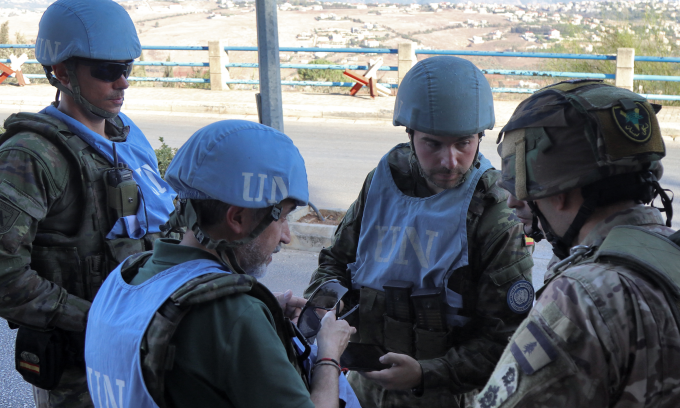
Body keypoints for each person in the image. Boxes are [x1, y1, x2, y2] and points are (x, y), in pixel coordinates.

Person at [304, 56, 535, 407]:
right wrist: (324, 308)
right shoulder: (384, 181)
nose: (450, 161)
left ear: (480, 137)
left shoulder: (492, 211)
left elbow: (506, 340)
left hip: (447, 396)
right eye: (433, 144)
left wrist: (425, 374)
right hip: (364, 389)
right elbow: (336, 261)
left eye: (463, 143)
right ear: (410, 135)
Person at [84, 120, 358, 408]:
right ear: (237, 218)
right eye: (282, 217)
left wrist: (260, 314)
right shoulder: (235, 315)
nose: (287, 237)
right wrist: (329, 354)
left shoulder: (127, 278)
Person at [0, 0, 176, 406]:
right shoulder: (31, 156)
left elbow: (165, 226)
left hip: (146, 352)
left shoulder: (126, 138)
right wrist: (98, 321)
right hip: (80, 373)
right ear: (61, 72)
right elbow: (5, 276)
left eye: (126, 68)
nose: (123, 83)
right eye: (107, 70)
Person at [475, 80, 680, 408]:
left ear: (561, 193)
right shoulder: (669, 253)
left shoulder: (583, 296)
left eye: (526, 187)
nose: (514, 202)